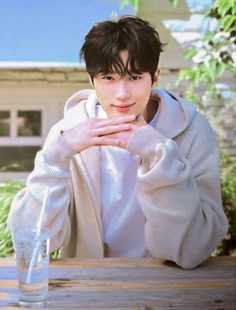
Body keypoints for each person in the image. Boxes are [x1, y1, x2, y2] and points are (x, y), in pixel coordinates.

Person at [7, 15, 228, 269]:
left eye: (134, 77)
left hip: (169, 286)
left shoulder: (192, 131)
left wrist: (159, 154)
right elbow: (29, 240)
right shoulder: (68, 133)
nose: (122, 94)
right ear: (92, 81)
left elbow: (192, 250)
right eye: (108, 78)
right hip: (89, 289)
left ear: (154, 78)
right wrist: (56, 158)